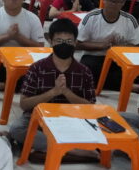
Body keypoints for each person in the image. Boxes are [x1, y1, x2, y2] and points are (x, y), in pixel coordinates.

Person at [9, 19, 97, 161]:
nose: (64, 45)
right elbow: (24, 104)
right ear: (50, 41)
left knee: (101, 134)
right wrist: (53, 92)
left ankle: (47, 147)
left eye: (69, 41)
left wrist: (67, 93)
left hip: (71, 120)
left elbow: (91, 108)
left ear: (75, 43)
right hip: (38, 119)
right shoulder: (37, 68)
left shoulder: (84, 71)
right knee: (17, 129)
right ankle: (72, 150)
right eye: (59, 40)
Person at [76, 0, 139, 89]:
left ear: (124, 2)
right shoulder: (91, 17)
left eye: (118, 1)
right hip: (95, 56)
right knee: (86, 72)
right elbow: (76, 44)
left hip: (119, 59)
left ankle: (124, 84)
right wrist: (102, 45)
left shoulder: (130, 20)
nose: (113, 4)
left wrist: (116, 48)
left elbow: (137, 47)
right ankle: (129, 86)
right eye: (110, 0)